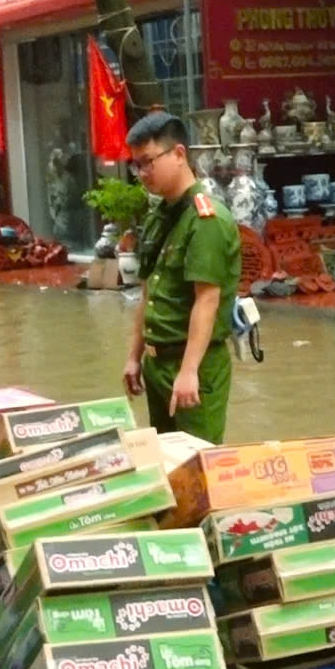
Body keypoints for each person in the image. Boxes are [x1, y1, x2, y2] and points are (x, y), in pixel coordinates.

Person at [120, 112, 242, 444]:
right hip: (157, 363)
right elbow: (150, 293)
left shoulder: (207, 219)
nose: (142, 174)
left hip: (195, 367)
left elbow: (207, 299)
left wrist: (189, 372)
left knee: (199, 468)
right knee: (167, 467)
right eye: (136, 166)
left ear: (178, 154)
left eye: (148, 162)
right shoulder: (159, 216)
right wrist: (134, 356)